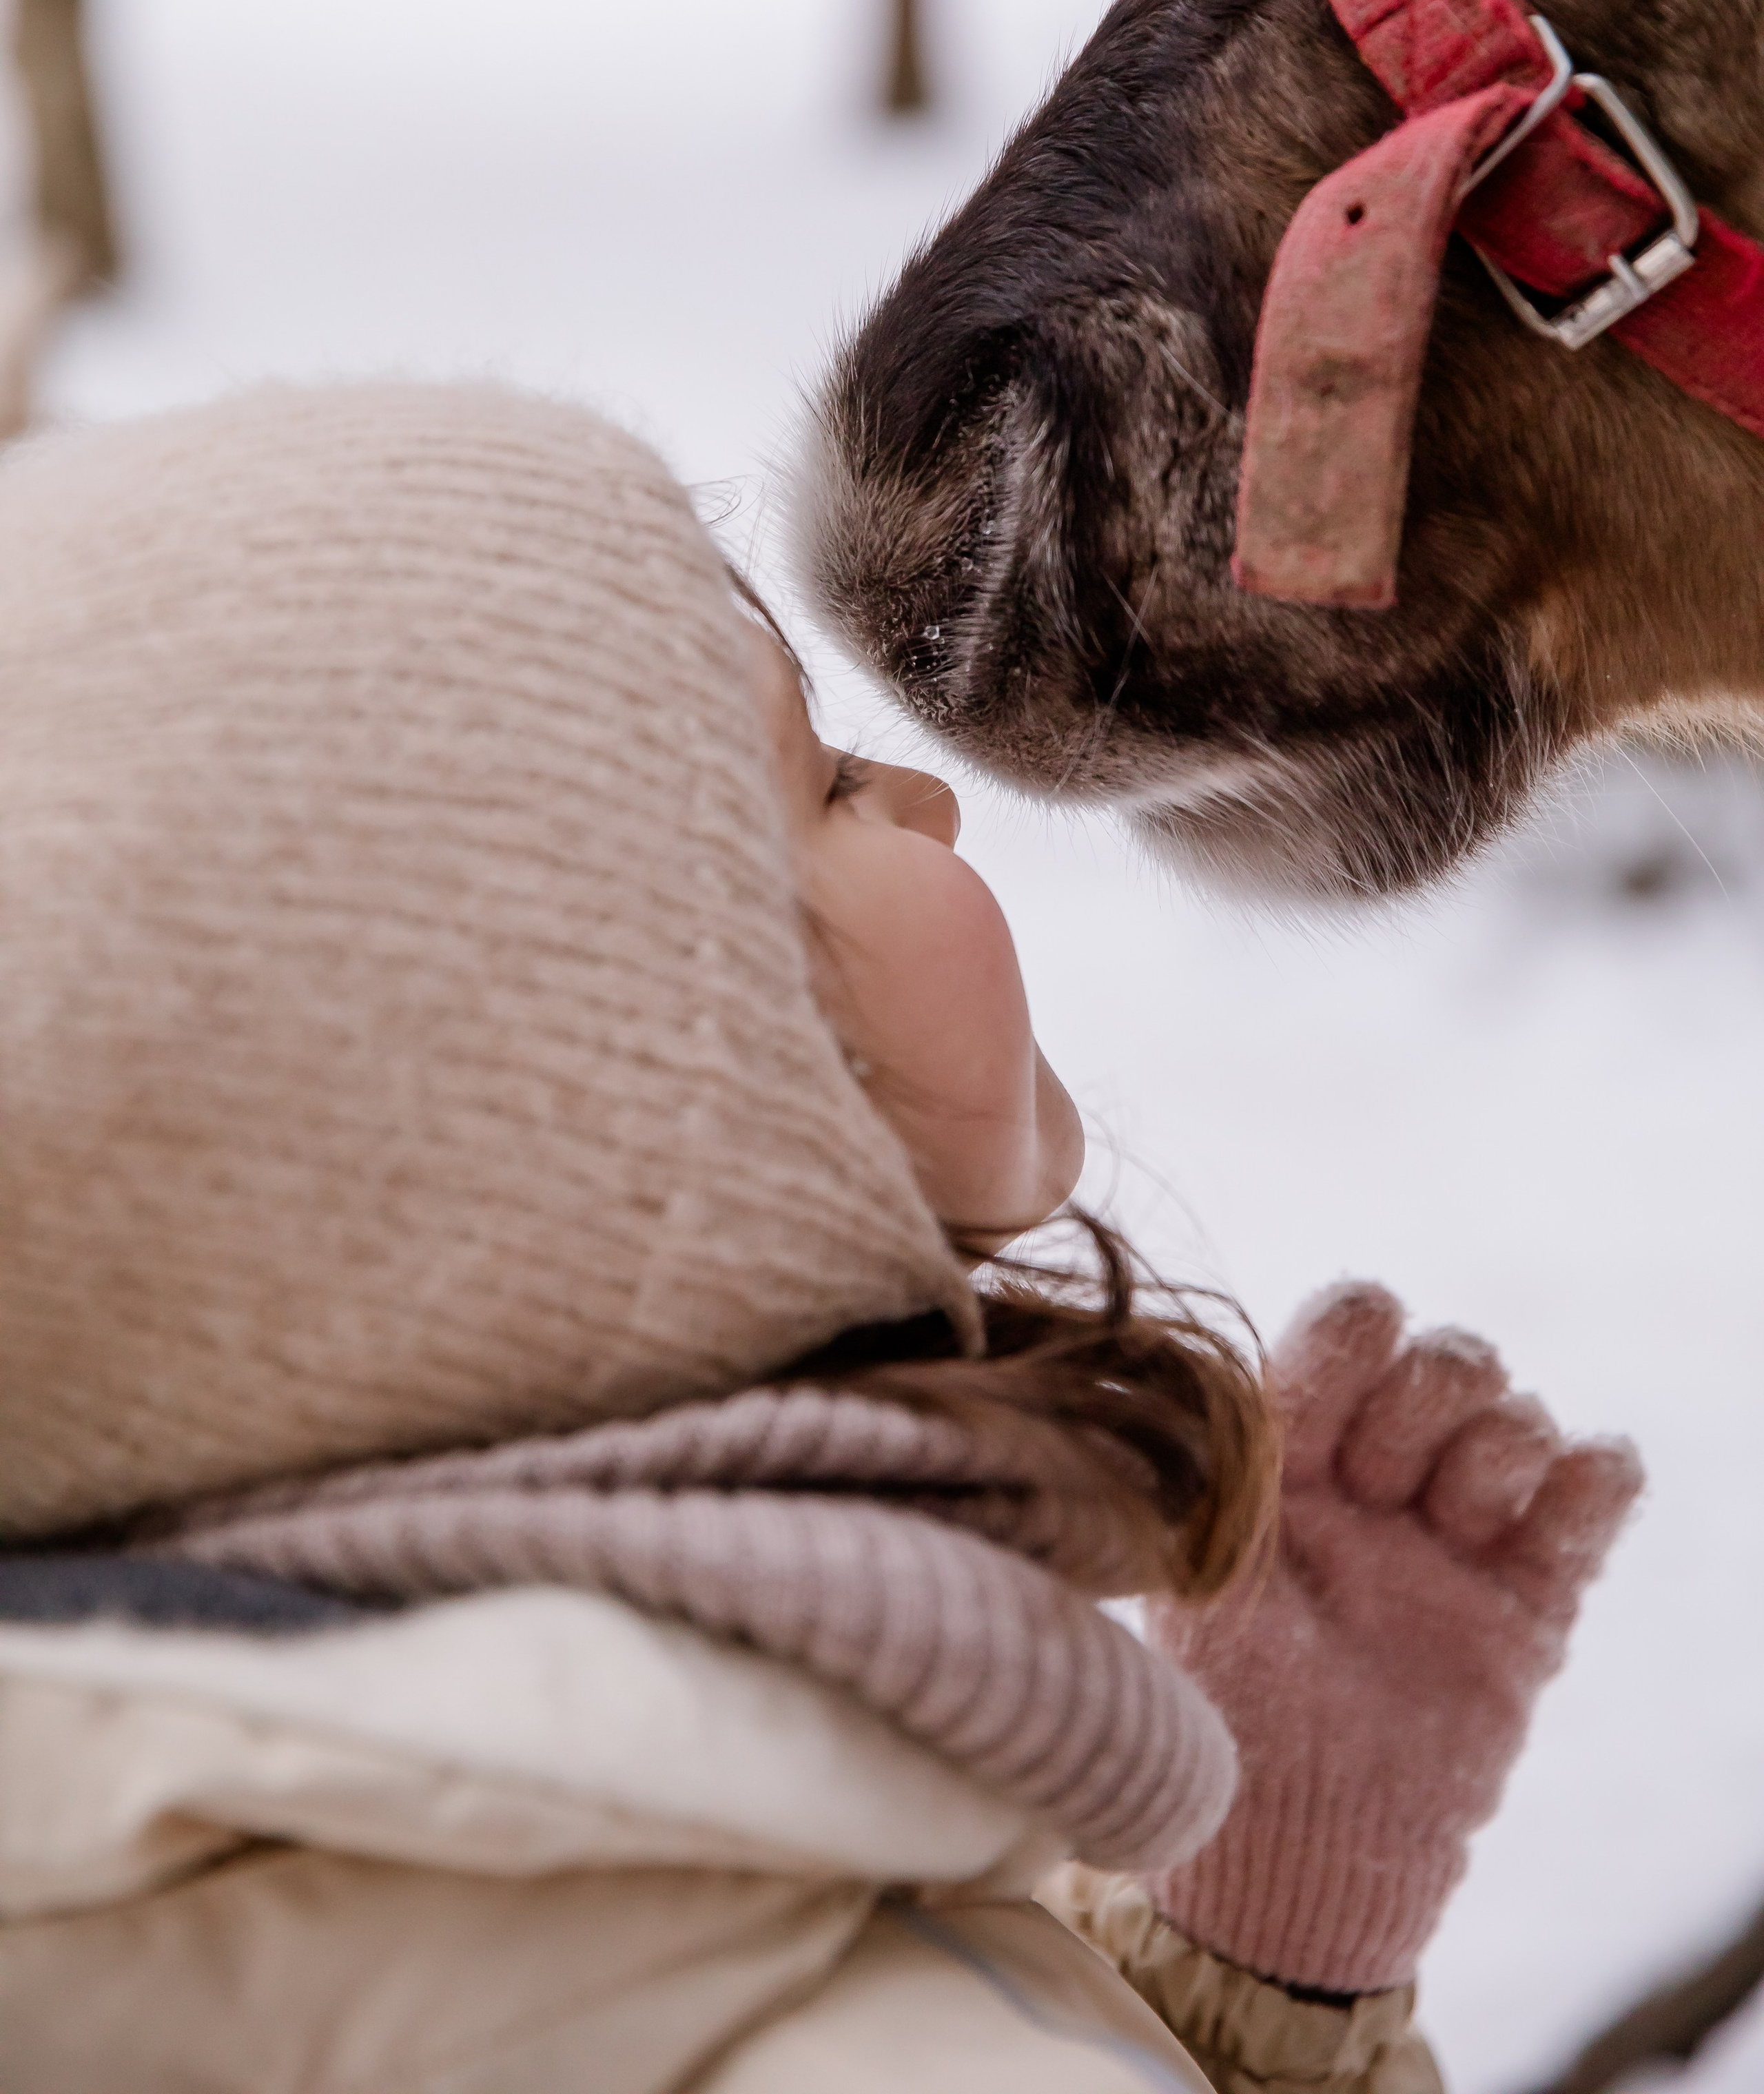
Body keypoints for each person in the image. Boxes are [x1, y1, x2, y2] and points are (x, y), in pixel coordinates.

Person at [0, 383, 1639, 2091]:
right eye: (829, 787)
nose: (923, 798)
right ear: (618, 1119)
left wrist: (1238, 1987)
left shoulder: (557, 1880)